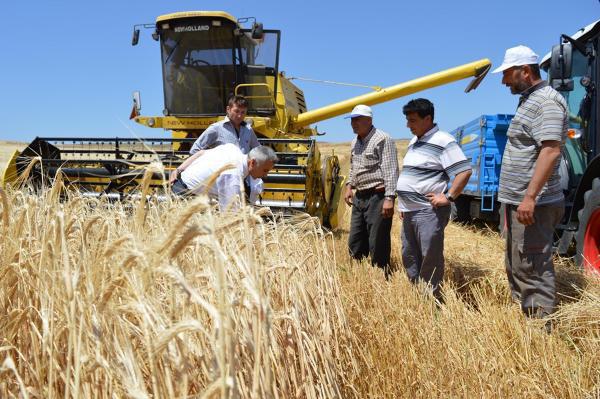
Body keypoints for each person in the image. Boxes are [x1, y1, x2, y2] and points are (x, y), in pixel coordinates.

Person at [493, 45, 567, 321]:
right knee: (518, 264)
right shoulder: (529, 100)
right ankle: (525, 320)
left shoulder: (547, 101)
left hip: (535, 203)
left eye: (507, 74)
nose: (503, 81)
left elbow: (550, 150)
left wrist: (530, 197)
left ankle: (540, 329)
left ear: (525, 71)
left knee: (532, 266)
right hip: (518, 200)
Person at [396, 98, 472, 299]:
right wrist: (404, 205)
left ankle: (432, 299)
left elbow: (464, 171)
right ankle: (417, 295)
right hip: (410, 211)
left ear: (427, 118)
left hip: (428, 211)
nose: (408, 125)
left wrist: (448, 197)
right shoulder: (415, 141)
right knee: (409, 254)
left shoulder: (443, 141)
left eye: (412, 120)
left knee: (430, 256)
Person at [343, 104, 399, 278]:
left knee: (378, 239)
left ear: (369, 120)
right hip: (360, 196)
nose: (354, 123)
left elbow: (390, 170)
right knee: (356, 238)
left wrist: (390, 198)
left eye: (357, 119)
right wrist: (349, 186)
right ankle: (357, 273)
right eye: (352, 120)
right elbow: (354, 167)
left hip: (378, 196)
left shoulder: (383, 139)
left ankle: (381, 274)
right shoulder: (355, 142)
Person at [169, 143, 277, 210]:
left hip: (182, 187)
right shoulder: (232, 175)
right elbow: (229, 213)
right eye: (265, 170)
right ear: (252, 162)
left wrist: (179, 169)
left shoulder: (232, 148)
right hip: (184, 196)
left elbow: (201, 153)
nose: (266, 175)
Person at [189, 95, 260, 155]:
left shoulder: (248, 129)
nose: (239, 115)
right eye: (236, 111)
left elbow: (258, 151)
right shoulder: (216, 128)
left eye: (243, 112)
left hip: (243, 171)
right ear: (228, 109)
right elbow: (195, 150)